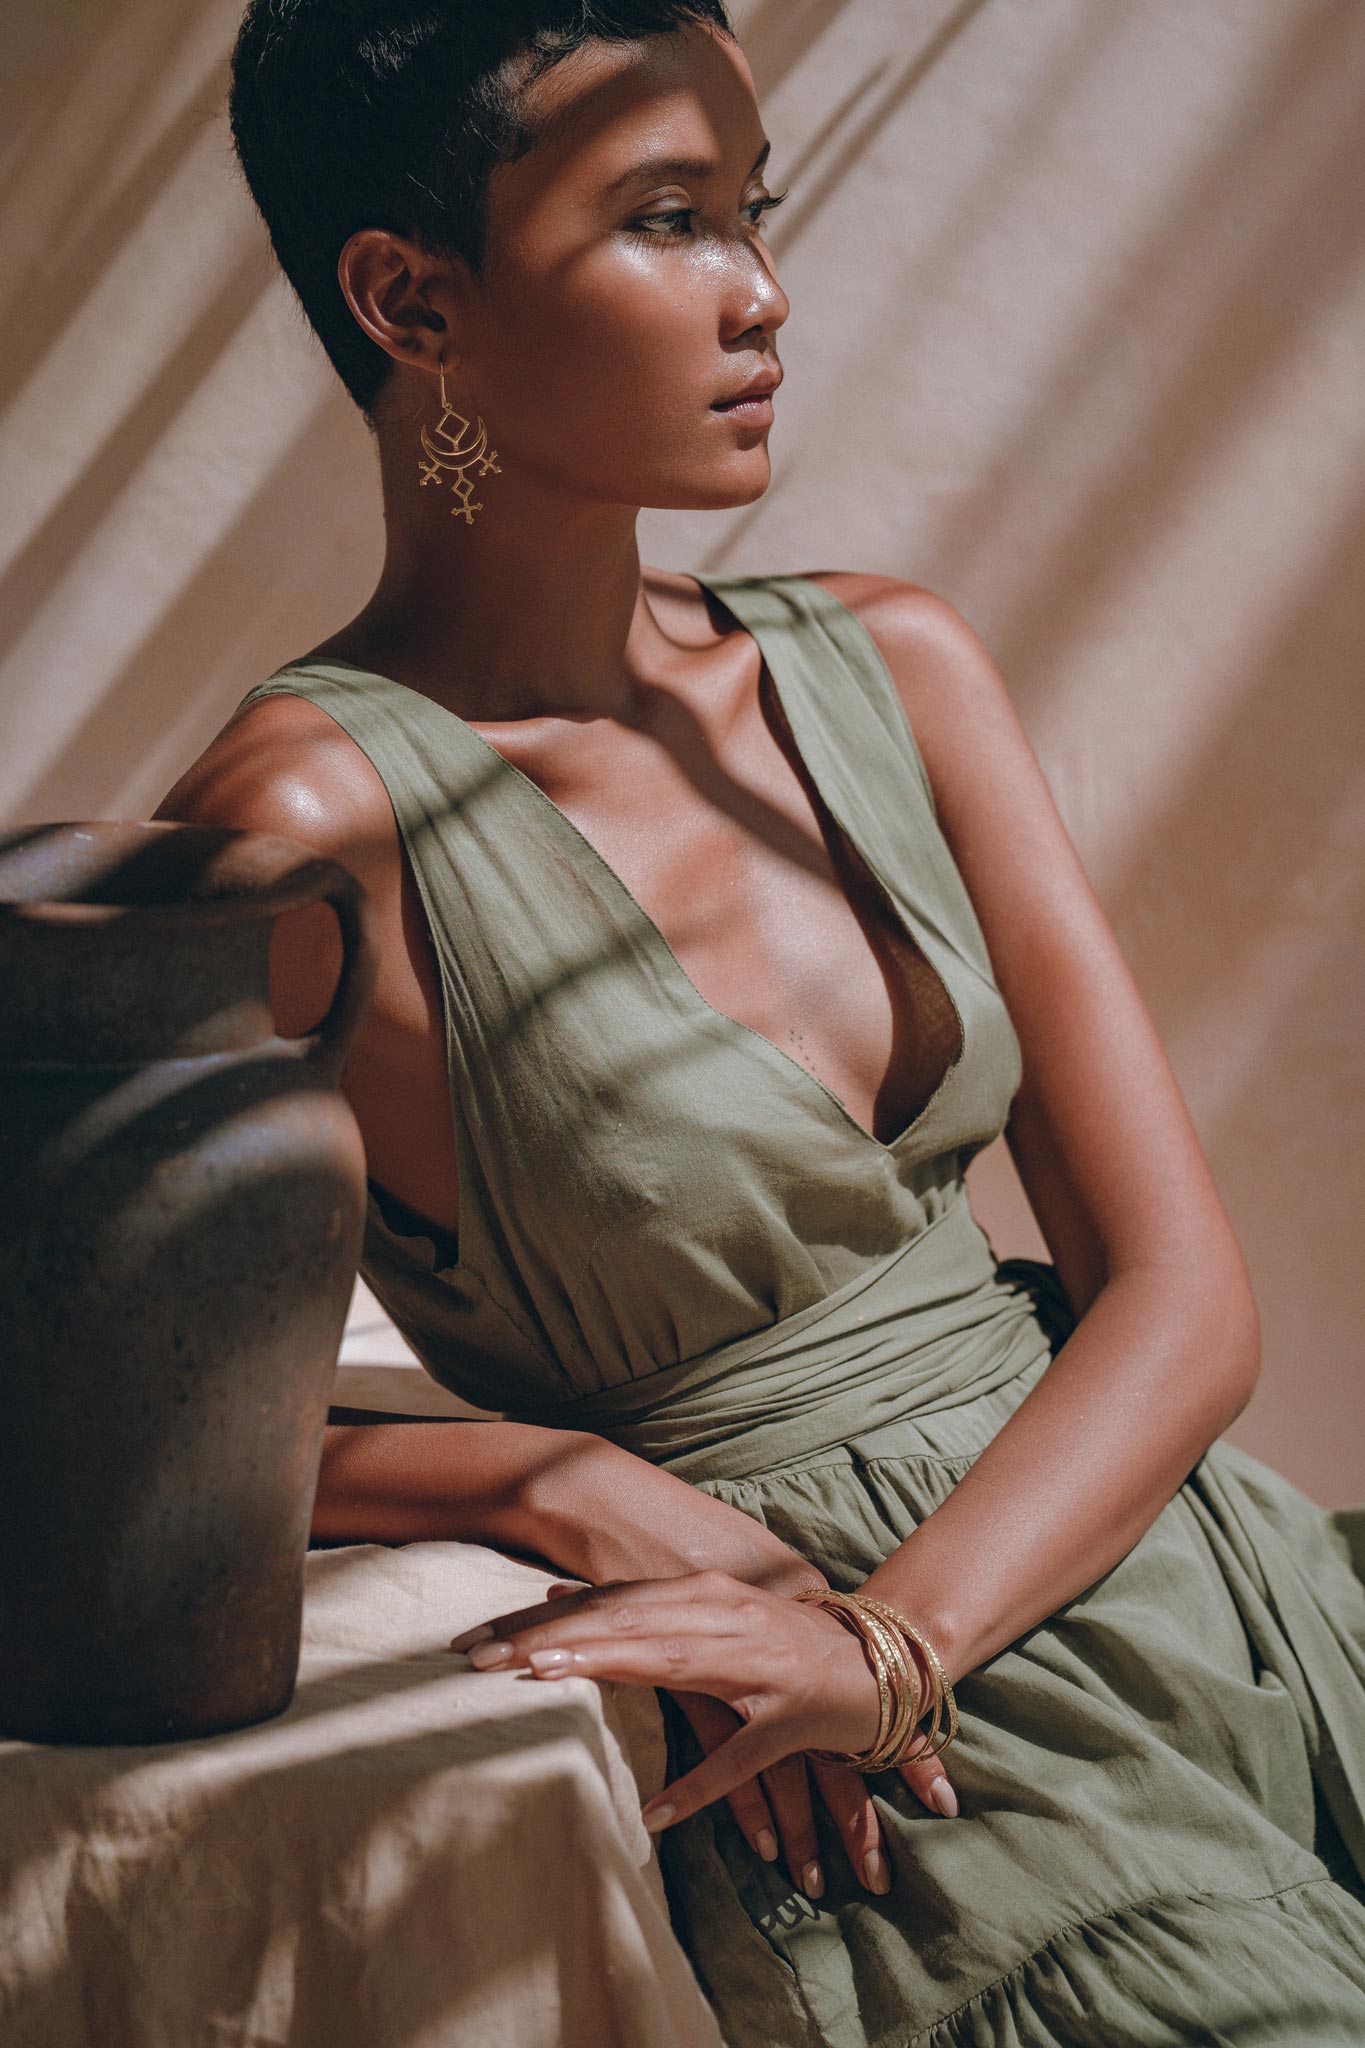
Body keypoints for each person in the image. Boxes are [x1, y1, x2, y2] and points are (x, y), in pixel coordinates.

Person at [156, 3, 1365, 2040]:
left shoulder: (887, 663)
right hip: (899, 1791)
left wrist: (900, 1632)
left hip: (1198, 1588)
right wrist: (549, 1479)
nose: (760, 293)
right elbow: (109, 1428)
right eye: (665, 219)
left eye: (752, 209)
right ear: (406, 297)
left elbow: (1177, 1290)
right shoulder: (301, 831)